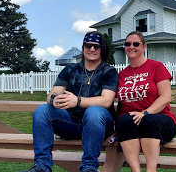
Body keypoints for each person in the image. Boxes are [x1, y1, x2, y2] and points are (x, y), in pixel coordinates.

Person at [22, 31, 119, 172]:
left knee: (94, 111)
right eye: (88, 45)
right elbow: (51, 94)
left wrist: (77, 101)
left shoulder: (108, 71)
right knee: (42, 110)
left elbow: (106, 101)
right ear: (83, 48)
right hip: (71, 123)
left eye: (96, 47)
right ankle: (42, 165)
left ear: (102, 49)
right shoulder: (71, 70)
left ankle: (89, 167)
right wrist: (54, 99)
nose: (92, 49)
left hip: (100, 126)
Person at [115, 31, 176, 172]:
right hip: (133, 125)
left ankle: (151, 170)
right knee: (124, 121)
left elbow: (165, 97)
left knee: (148, 121)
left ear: (144, 47)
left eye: (136, 44)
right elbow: (120, 105)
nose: (131, 47)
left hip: (161, 121)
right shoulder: (122, 75)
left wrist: (145, 113)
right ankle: (135, 170)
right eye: (127, 44)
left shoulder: (156, 67)